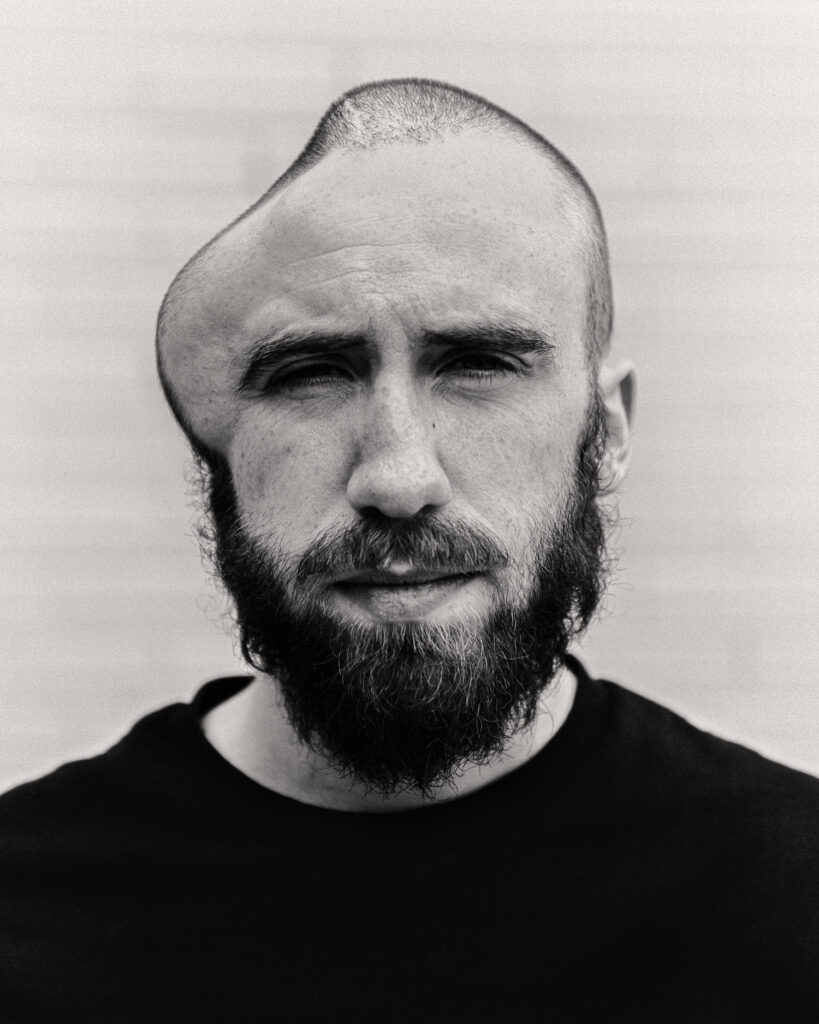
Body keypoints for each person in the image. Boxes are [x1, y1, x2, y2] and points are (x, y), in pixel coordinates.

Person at [0, 79, 816, 1023]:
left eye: (476, 364)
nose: (397, 477)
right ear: (218, 456)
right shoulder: (29, 913)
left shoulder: (787, 898)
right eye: (311, 373)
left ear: (608, 434)